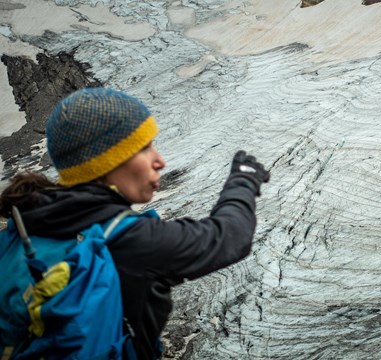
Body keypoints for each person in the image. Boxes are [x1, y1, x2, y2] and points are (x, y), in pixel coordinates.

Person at [0, 87, 270, 359]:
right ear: (107, 161)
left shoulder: (22, 224)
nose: (160, 160)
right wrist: (243, 181)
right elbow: (229, 237)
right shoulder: (128, 239)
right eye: (143, 148)